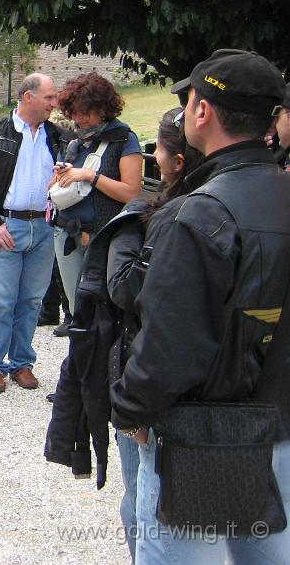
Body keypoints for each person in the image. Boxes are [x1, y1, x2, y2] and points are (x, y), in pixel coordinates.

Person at [110, 49, 290, 564]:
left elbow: (171, 342)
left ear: (203, 111)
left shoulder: (198, 216)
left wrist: (130, 408)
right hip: (277, 425)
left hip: (206, 440)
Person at [45, 107, 202, 563]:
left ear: (172, 160)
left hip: (156, 387)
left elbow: (127, 292)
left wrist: (124, 231)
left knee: (151, 507)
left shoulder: (159, 213)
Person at [0, 73, 61, 393]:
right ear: (28, 97)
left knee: (31, 300)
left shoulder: (57, 136)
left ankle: (21, 363)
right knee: (2, 300)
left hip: (43, 227)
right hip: (7, 226)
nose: (53, 103)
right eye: (48, 97)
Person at [49, 73, 142, 336]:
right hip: (68, 232)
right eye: (74, 112)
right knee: (79, 312)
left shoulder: (124, 139)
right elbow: (51, 187)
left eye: (85, 113)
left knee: (104, 313)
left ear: (103, 108)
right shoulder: (74, 142)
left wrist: (91, 176)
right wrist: (59, 176)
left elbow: (131, 193)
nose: (79, 119)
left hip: (105, 236)